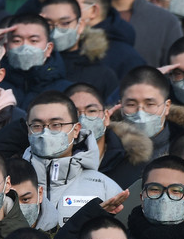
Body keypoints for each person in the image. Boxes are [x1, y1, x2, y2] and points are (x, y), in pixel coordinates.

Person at [22, 91, 122, 226]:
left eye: (56, 124)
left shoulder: (104, 187)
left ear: (76, 130)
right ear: (28, 129)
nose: (45, 132)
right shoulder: (10, 182)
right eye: (37, 126)